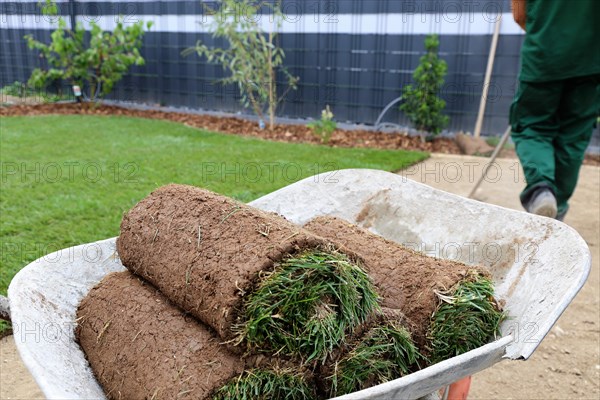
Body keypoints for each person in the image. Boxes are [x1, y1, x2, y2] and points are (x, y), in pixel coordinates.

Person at [510, 0, 600, 220]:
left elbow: (520, 15)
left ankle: (541, 190)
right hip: (591, 61)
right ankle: (556, 207)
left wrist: (547, 35)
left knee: (531, 126)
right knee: (573, 135)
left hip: (544, 56)